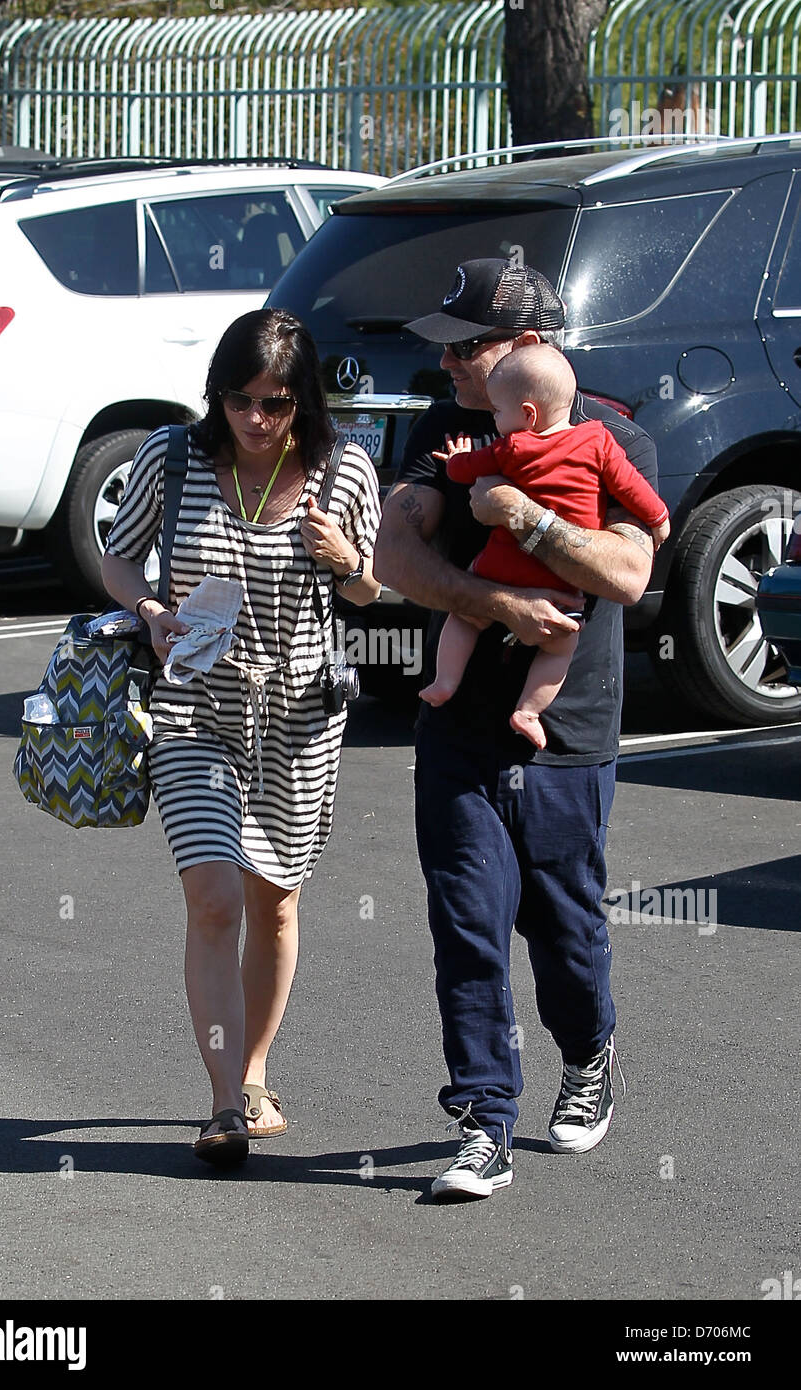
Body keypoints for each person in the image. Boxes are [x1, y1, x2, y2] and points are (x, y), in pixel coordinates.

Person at [373, 258, 659, 1201]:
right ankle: (484, 1119)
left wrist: (525, 520)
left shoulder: (615, 438)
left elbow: (626, 573)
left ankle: (589, 1051)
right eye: (446, 346)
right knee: (467, 921)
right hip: (460, 726)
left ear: (532, 348)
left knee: (563, 924)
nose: (451, 364)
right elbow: (395, 549)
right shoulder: (443, 431)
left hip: (567, 734)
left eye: (470, 346)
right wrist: (495, 601)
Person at [101, 308, 381, 1167]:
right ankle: (225, 1105)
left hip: (297, 718)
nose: (258, 420)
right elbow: (118, 555)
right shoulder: (172, 458)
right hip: (193, 710)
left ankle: (255, 1071)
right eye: (241, 400)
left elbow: (374, 593)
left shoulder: (344, 473)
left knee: (276, 899)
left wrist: (346, 560)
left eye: (278, 403)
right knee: (215, 898)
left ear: (304, 404)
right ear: (216, 395)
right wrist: (149, 611)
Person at [420, 343, 669, 748]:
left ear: (528, 415)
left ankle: (445, 681)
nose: (496, 419)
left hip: (501, 566)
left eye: (499, 411)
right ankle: (529, 711)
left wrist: (455, 460)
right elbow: (631, 487)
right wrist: (658, 519)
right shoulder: (600, 441)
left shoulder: (513, 447)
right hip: (561, 581)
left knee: (464, 618)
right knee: (560, 647)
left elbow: (466, 470)